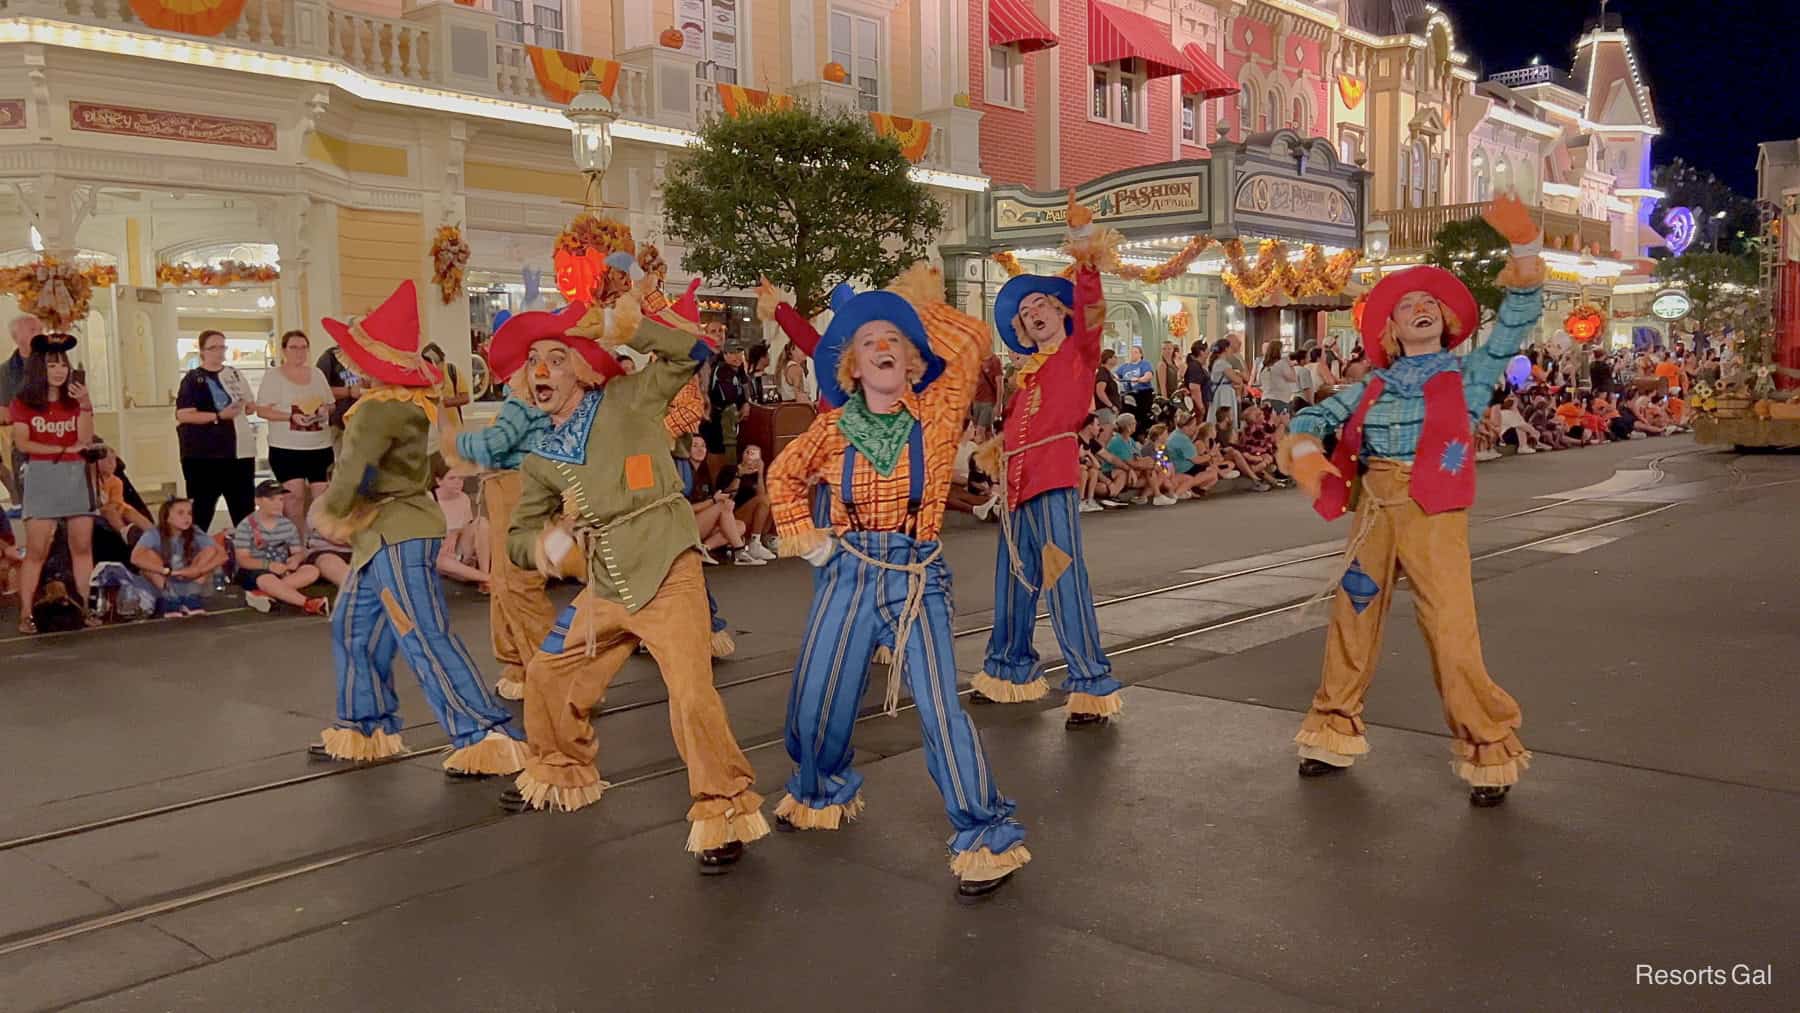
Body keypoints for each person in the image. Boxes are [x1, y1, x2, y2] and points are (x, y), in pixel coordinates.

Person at [766, 263, 1030, 901]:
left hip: (916, 576)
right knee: (817, 701)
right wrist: (809, 536)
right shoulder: (830, 429)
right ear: (850, 366)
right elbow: (782, 476)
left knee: (941, 705)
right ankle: (819, 787)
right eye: (867, 341)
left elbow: (969, 338)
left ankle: (984, 834)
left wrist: (919, 302)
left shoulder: (938, 413)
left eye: (894, 340)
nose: (881, 348)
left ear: (913, 360)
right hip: (848, 570)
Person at [1277, 195, 1542, 807]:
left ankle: (1487, 745)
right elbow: (1317, 414)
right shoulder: (1373, 383)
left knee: (1450, 629)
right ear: (1390, 330)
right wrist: (1305, 450)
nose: (1418, 309)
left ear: (1444, 319)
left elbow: (1515, 321)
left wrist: (1525, 250)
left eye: (1428, 303)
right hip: (1373, 511)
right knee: (1353, 616)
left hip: (1434, 512)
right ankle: (1332, 730)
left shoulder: (1470, 374)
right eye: (1405, 307)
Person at [497, 274, 767, 874]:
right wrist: (545, 547)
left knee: (692, 694)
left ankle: (724, 807)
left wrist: (626, 328)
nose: (542, 370)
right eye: (534, 361)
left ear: (583, 370)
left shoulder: (628, 398)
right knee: (546, 672)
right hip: (609, 584)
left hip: (669, 569)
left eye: (556, 358)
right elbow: (517, 536)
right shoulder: (540, 456)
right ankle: (562, 768)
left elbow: (691, 351)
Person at [307, 280, 528, 779]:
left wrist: (331, 512)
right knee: (353, 628)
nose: (350, 361)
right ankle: (364, 726)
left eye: (356, 353)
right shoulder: (410, 405)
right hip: (386, 533)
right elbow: (421, 463)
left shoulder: (374, 411)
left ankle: (483, 732)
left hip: (394, 534)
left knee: (423, 633)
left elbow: (356, 471)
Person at [974, 193, 1123, 727]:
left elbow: (1095, 308)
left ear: (1062, 312)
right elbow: (1013, 425)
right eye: (1023, 314)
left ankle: (1089, 682)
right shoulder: (1024, 374)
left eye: (1038, 305)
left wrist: (1084, 251)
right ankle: (1008, 669)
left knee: (1063, 579)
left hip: (1054, 478)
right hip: (1016, 484)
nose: (1031, 314)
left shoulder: (1080, 352)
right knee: (1014, 580)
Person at [441, 303, 576, 701]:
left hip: (519, 488)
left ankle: (559, 674)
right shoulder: (543, 394)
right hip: (519, 487)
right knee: (503, 581)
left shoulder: (523, 398)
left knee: (518, 582)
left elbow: (499, 444)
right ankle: (517, 664)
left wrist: (455, 443)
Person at [9, 333, 97, 633]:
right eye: (51, 365)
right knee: (37, 549)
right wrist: (62, 449)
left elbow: (84, 438)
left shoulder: (74, 401)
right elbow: (23, 442)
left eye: (62, 365)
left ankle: (85, 607)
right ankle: (25, 613)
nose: (59, 371)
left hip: (75, 476)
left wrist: (85, 403)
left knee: (82, 545)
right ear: (38, 368)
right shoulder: (23, 402)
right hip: (43, 475)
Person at [175, 329, 257, 533]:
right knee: (202, 509)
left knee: (244, 510)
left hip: (239, 452)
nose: (219, 352)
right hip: (205, 455)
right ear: (202, 351)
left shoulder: (234, 374)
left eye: (223, 346)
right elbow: (184, 414)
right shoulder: (193, 380)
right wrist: (218, 416)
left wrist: (252, 407)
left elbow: (248, 403)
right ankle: (192, 552)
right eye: (214, 348)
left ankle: (246, 554)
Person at [257, 330, 335, 537]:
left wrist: (324, 411)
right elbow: (262, 410)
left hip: (319, 445)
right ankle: (298, 545)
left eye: (303, 347)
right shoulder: (273, 376)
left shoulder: (317, 374)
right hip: (287, 448)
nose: (299, 352)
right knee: (294, 498)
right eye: (294, 347)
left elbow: (331, 404)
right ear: (284, 350)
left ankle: (319, 542)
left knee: (322, 499)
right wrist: (290, 417)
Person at [233, 480, 329, 614]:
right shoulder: (246, 526)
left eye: (281, 499)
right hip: (255, 570)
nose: (278, 504)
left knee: (311, 570)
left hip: (282, 570)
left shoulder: (287, 525)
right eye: (272, 499)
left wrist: (295, 560)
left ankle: (264, 593)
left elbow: (298, 552)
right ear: (258, 501)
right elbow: (242, 560)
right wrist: (268, 565)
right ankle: (307, 602)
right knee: (267, 579)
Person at [133, 497, 226, 616]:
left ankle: (191, 598)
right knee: (147, 555)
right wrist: (167, 571)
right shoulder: (153, 533)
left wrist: (198, 570)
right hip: (163, 579)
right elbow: (135, 558)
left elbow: (222, 555)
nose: (187, 517)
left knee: (210, 550)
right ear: (167, 517)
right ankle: (170, 600)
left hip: (188, 579)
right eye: (180, 513)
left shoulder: (195, 531)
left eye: (189, 513)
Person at [0, 315, 39, 505]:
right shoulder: (5, 371)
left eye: (40, 330)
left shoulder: (56, 363)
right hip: (24, 439)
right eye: (34, 331)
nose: (41, 334)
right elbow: (4, 412)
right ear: (17, 338)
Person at [432, 468, 489, 587]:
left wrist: (455, 533)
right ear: (439, 481)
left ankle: (484, 576)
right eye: (452, 478)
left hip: (461, 551)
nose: (458, 482)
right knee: (440, 560)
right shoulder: (431, 500)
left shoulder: (463, 498)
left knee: (481, 522)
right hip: (441, 555)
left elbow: (467, 527)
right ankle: (486, 578)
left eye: (461, 478)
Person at [776, 338, 815, 404]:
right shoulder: (795, 368)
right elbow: (800, 399)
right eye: (801, 347)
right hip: (796, 411)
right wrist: (815, 405)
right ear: (792, 350)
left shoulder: (787, 366)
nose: (805, 350)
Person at [1093, 348, 1123, 425]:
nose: (1116, 359)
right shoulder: (1103, 372)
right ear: (1108, 359)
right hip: (1105, 410)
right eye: (1114, 357)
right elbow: (1100, 391)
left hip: (1110, 410)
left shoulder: (1109, 373)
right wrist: (1111, 406)